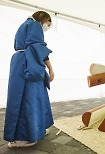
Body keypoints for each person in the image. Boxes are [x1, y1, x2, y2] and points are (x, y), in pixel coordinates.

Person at [4, 11, 54, 148]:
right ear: (43, 19)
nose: (47, 28)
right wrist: (50, 68)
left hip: (19, 63)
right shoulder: (34, 25)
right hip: (28, 63)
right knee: (30, 97)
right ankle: (24, 137)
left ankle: (37, 128)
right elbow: (39, 48)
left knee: (24, 96)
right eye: (48, 25)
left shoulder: (23, 25)